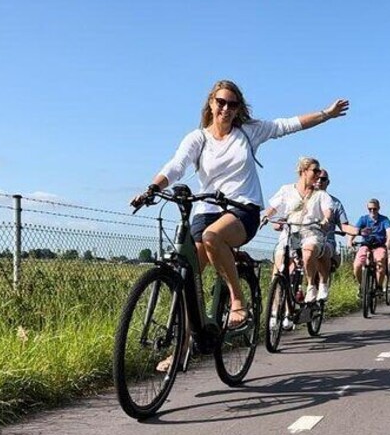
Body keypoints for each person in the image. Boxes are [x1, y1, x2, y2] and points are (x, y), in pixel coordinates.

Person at [131, 79, 349, 331]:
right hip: (206, 210)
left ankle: (237, 300)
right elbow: (177, 165)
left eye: (232, 104)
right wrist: (153, 188)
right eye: (221, 102)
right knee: (189, 279)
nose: (226, 109)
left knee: (213, 237)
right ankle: (181, 349)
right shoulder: (197, 138)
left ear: (238, 108)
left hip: (242, 209)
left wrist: (327, 114)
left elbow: (288, 124)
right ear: (211, 103)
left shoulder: (248, 131)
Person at [262, 157, 334, 302]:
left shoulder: (321, 194)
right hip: (291, 232)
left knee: (308, 252)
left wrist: (325, 219)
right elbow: (273, 208)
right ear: (303, 171)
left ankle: (311, 286)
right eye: (315, 170)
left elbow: (328, 211)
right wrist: (264, 217)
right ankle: (277, 311)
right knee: (279, 269)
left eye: (319, 171)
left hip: (311, 232)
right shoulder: (286, 190)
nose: (318, 174)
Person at [314, 169, 360, 290]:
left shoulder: (335, 203)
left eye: (323, 179)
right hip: (303, 237)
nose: (319, 181)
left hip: (325, 240)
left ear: (327, 182)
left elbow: (343, 226)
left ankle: (322, 291)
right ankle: (279, 305)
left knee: (322, 255)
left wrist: (359, 231)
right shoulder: (304, 198)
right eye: (317, 178)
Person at [347, 198, 390, 295]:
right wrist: (350, 241)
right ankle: (361, 285)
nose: (372, 211)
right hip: (366, 244)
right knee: (357, 265)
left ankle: (379, 286)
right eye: (370, 209)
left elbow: (389, 232)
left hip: (379, 245)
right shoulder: (363, 219)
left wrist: (389, 241)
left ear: (378, 208)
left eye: (374, 209)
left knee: (380, 261)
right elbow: (355, 230)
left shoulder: (384, 220)